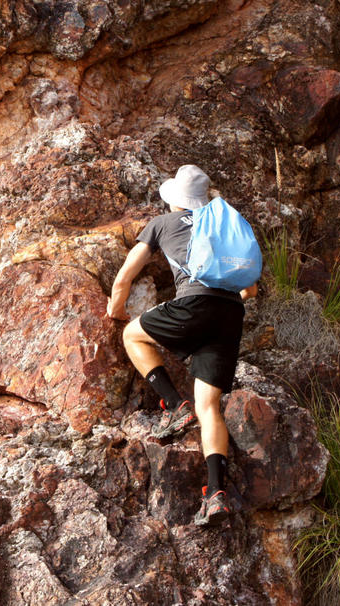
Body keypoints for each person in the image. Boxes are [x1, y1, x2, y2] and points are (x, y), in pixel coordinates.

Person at [106, 164, 258, 526]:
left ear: (174, 200)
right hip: (230, 312)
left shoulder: (160, 224)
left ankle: (174, 405)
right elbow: (250, 289)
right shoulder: (223, 227)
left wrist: (116, 306)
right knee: (209, 406)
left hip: (194, 304)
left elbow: (128, 273)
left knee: (132, 335)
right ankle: (216, 493)